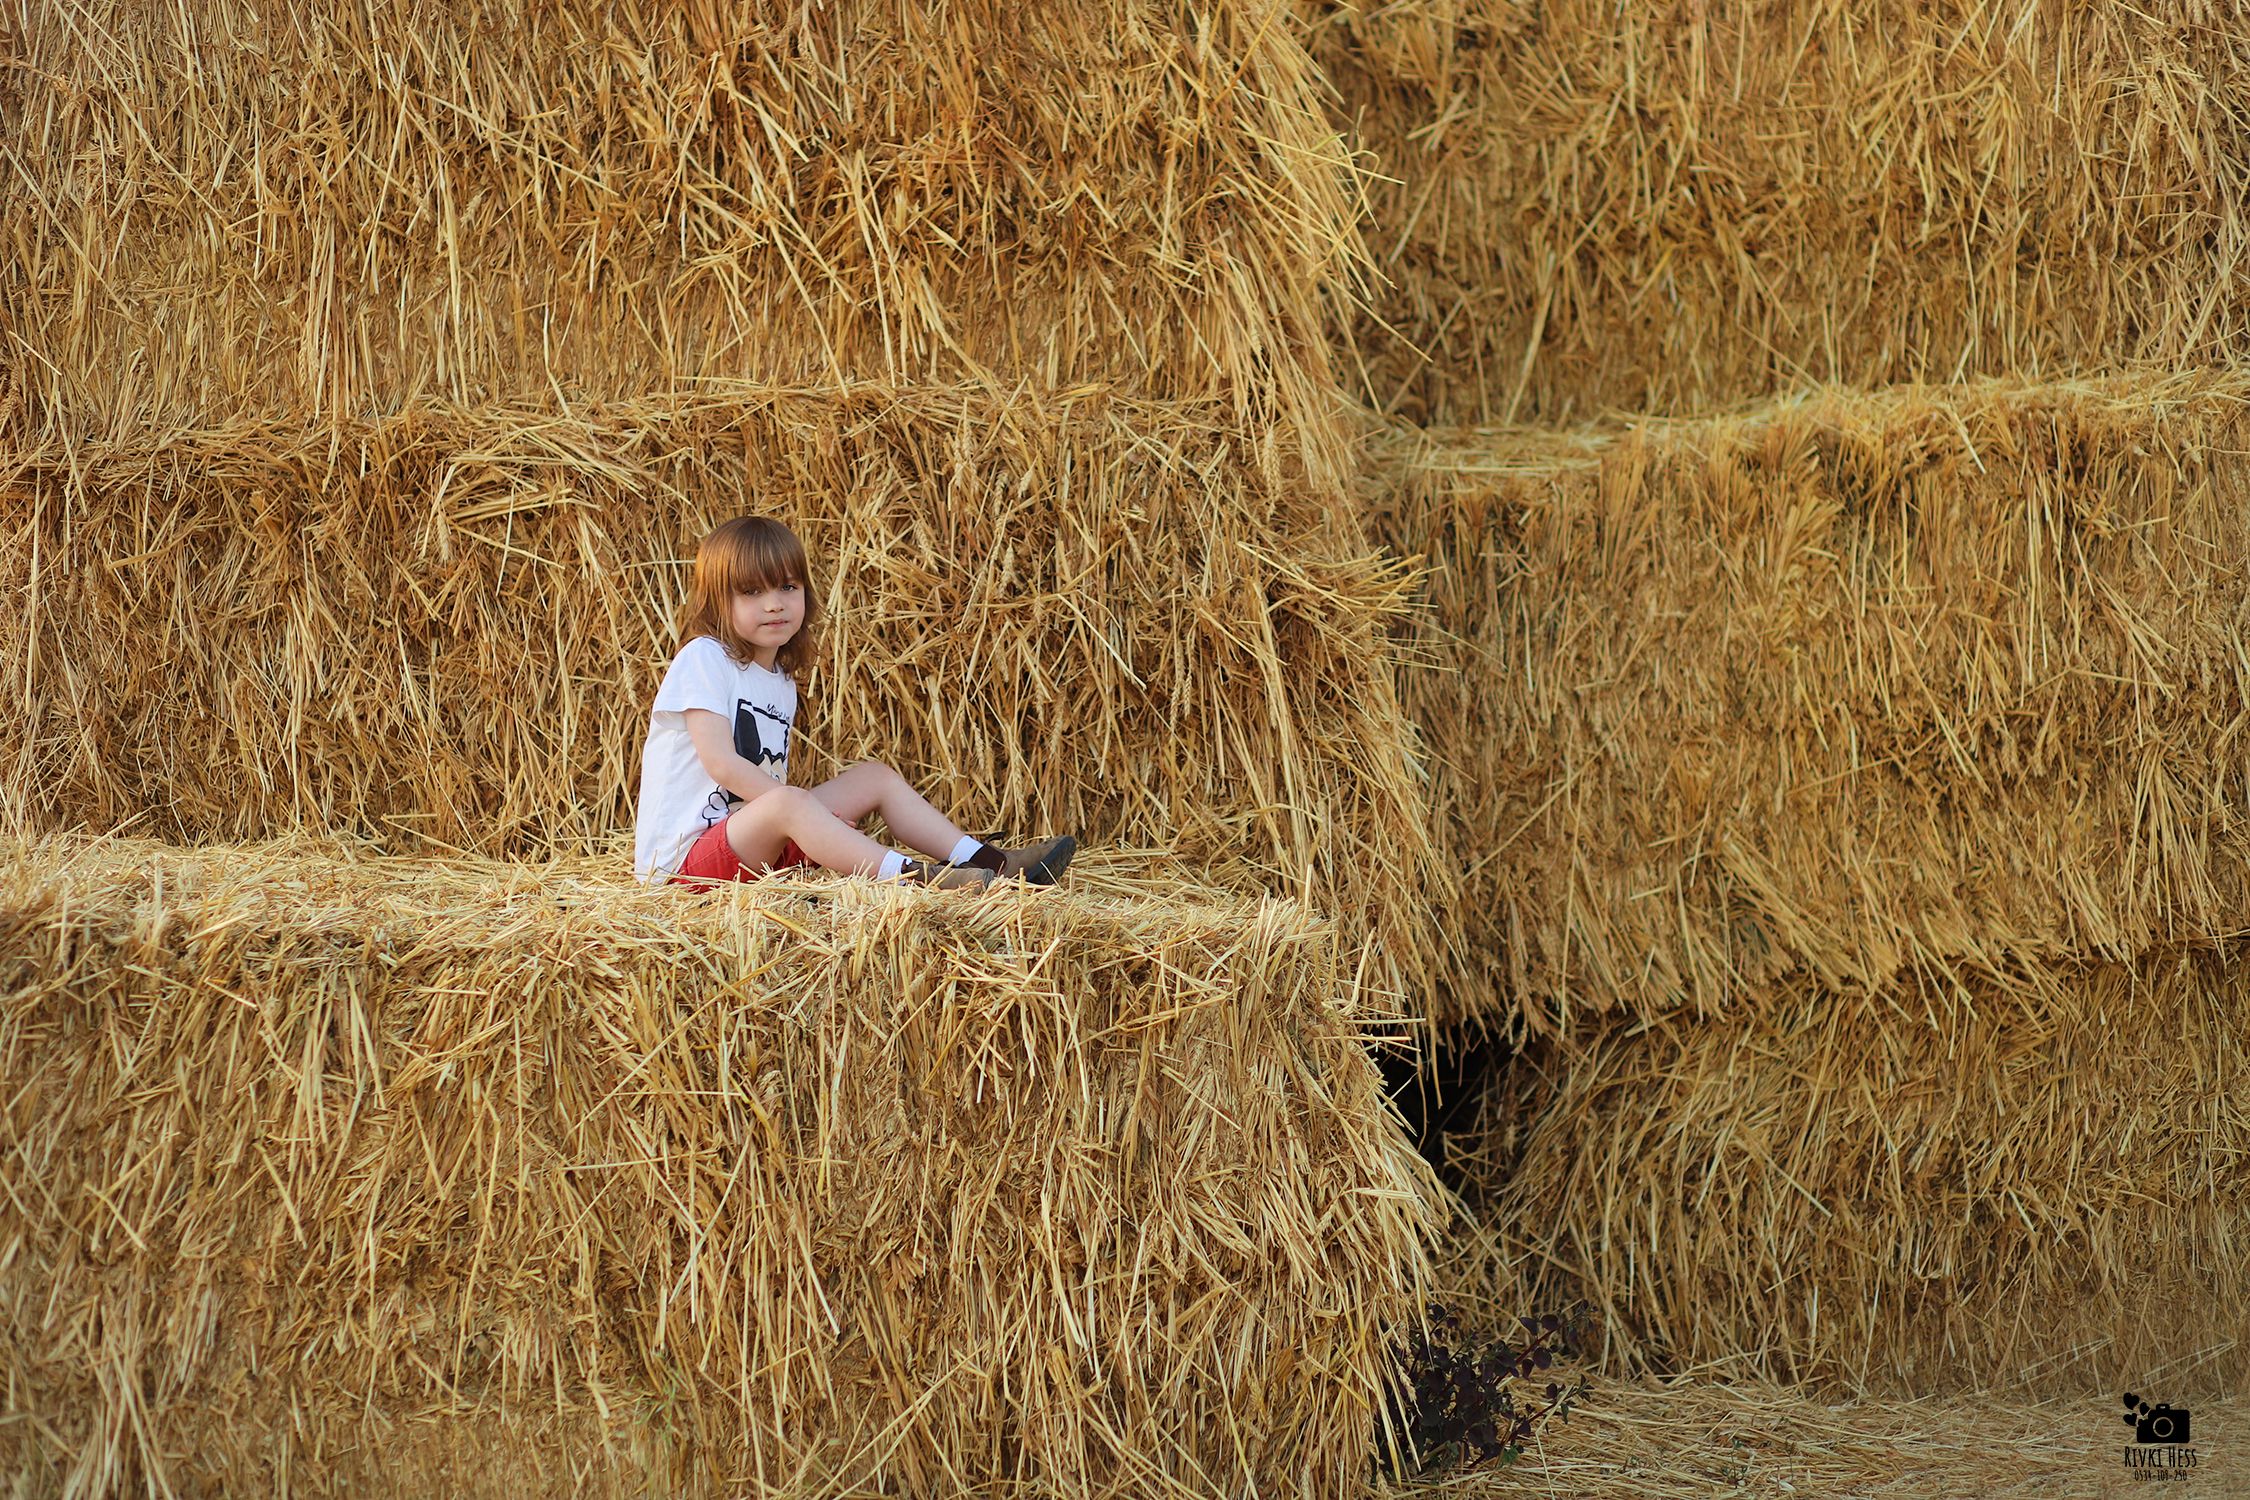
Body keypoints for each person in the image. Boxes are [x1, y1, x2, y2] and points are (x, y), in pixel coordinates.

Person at [633, 516, 1077, 892]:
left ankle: (995, 866)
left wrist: (812, 821)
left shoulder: (781, 679)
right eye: (751, 592)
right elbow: (723, 765)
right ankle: (914, 881)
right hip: (683, 867)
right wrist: (812, 814)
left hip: (754, 846)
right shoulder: (705, 657)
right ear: (718, 600)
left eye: (788, 586)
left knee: (874, 778)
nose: (774, 605)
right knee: (792, 803)